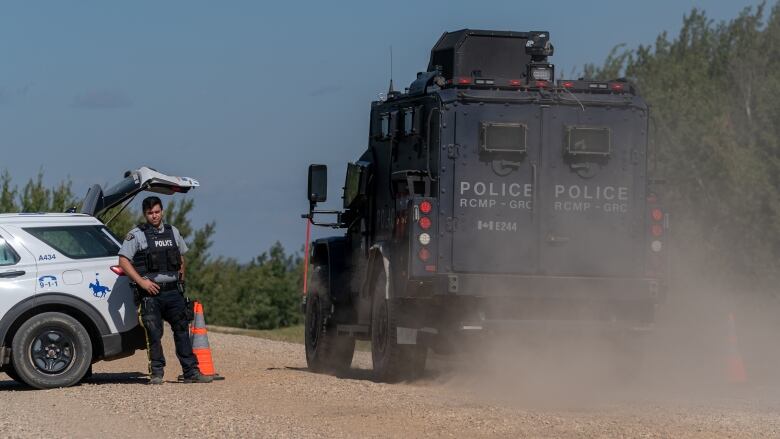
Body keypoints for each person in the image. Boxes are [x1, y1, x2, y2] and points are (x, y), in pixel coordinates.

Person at [118, 196, 212, 384]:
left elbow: (181, 258)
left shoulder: (173, 232)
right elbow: (123, 260)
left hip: (173, 292)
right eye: (150, 213)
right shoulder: (137, 234)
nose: (154, 216)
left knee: (181, 330)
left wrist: (180, 280)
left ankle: (190, 372)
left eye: (157, 211)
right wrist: (142, 283)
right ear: (145, 214)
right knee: (154, 333)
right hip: (150, 294)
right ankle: (157, 373)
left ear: (162, 211)